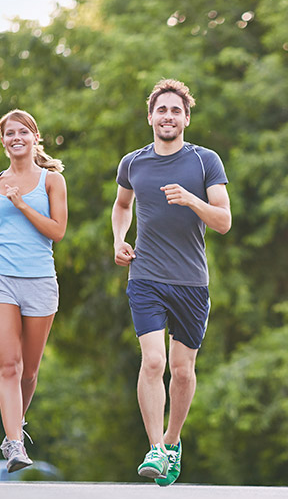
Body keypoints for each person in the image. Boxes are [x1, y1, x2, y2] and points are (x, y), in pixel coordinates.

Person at [112, 79, 231, 486]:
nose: (168, 116)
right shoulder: (133, 163)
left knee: (182, 371)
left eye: (175, 110)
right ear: (150, 117)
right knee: (154, 362)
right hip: (145, 277)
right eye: (161, 110)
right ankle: (156, 450)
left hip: (192, 283)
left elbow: (224, 221)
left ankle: (173, 440)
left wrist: (192, 200)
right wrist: (118, 239)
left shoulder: (204, 162)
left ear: (186, 118)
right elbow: (122, 205)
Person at [0, 109, 67, 473]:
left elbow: (57, 231)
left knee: (29, 372)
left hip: (40, 281)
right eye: (9, 133)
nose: (16, 138)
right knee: (9, 366)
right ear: (3, 142)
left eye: (23, 132)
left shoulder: (52, 181)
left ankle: (17, 425)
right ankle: (14, 444)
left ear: (35, 137)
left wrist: (20, 204)